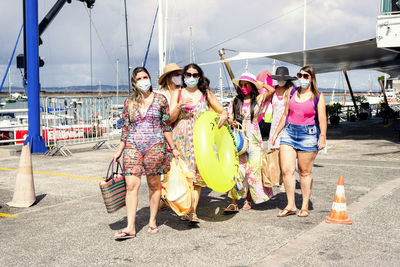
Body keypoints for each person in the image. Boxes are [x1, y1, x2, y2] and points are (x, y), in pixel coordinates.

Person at [113, 67, 180, 239]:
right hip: (133, 147)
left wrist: (173, 148)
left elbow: (166, 127)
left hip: (155, 147)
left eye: (146, 77)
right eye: (139, 78)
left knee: (153, 185)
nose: (143, 80)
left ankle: (152, 221)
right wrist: (120, 148)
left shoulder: (160, 100)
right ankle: (130, 227)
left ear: (150, 79)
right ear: (134, 83)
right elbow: (126, 127)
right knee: (131, 186)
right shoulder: (129, 102)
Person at [169, 63, 228, 224]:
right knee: (183, 175)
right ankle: (185, 208)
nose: (191, 78)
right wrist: (180, 105)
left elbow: (222, 110)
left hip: (199, 139)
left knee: (197, 176)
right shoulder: (177, 93)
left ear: (199, 77)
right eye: (188, 74)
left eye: (195, 75)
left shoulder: (205, 94)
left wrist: (223, 116)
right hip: (181, 140)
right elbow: (170, 118)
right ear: (184, 76)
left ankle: (192, 211)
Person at [271, 65, 327, 217]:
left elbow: (322, 119)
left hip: (308, 135)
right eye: (299, 75)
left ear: (311, 78)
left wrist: (322, 136)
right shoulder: (292, 91)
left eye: (305, 76)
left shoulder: (318, 96)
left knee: (304, 172)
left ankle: (304, 206)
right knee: (287, 171)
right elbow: (285, 115)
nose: (302, 78)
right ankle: (290, 205)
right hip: (289, 133)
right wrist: (276, 133)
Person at [223, 73, 275, 213]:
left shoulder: (258, 100)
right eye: (242, 85)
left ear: (252, 87)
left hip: (254, 140)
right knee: (237, 170)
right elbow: (227, 116)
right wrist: (231, 121)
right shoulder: (235, 100)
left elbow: (271, 91)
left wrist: (260, 83)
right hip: (239, 138)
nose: (244, 87)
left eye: (247, 85)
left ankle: (248, 200)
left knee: (253, 170)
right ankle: (234, 202)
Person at [268, 66, 297, 192]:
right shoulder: (273, 90)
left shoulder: (292, 90)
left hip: (288, 125)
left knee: (287, 154)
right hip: (274, 124)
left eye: (281, 79)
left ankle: (287, 180)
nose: (279, 81)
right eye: (277, 78)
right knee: (275, 153)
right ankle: (277, 178)